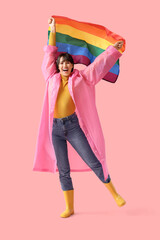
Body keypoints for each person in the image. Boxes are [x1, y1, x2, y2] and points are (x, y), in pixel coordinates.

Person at [45, 17, 126, 218]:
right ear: (58, 66)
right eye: (61, 63)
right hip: (54, 129)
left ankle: (115, 194)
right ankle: (69, 207)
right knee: (63, 169)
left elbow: (99, 65)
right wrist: (52, 30)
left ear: (72, 66)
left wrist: (113, 51)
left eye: (68, 63)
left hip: (73, 127)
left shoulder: (81, 79)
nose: (65, 65)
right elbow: (49, 53)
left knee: (94, 160)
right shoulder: (51, 77)